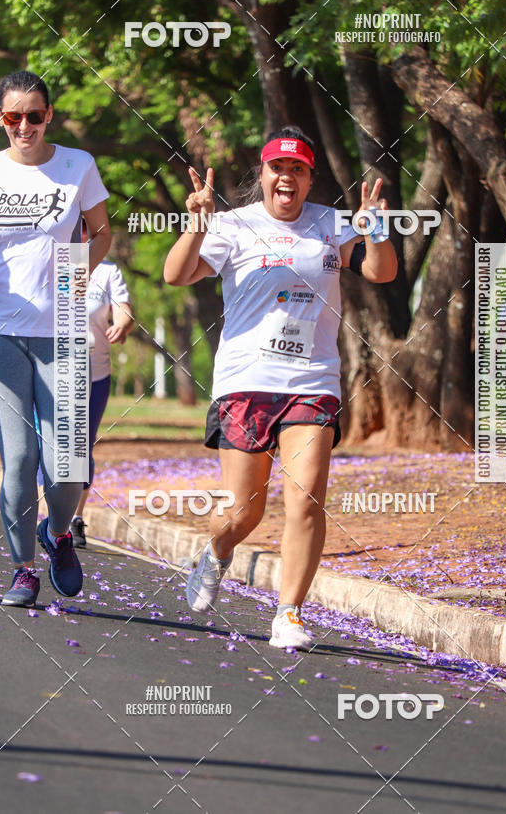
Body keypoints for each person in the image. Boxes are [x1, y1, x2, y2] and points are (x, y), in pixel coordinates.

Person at [164, 126, 397, 649]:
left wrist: (376, 231)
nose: (286, 177)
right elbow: (176, 274)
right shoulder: (232, 225)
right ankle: (218, 551)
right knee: (244, 509)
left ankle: (288, 614)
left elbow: (381, 273)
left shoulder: (332, 226)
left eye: (298, 169)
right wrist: (196, 224)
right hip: (245, 381)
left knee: (306, 498)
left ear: (310, 179)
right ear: (263, 175)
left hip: (312, 381)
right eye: (277, 168)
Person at [0, 70, 111, 607]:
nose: (25, 126)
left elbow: (101, 231)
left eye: (35, 115)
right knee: (19, 459)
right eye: (14, 117)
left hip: (62, 327)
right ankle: (23, 571)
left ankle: (57, 533)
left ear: (49, 115)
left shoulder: (77, 165)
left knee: (67, 459)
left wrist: (78, 271)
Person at [70, 220, 134, 548]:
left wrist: (121, 325)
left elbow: (124, 311)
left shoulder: (108, 273)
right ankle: (52, 511)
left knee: (81, 444)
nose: (74, 234)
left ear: (90, 233)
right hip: (52, 370)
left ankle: (74, 517)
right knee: (50, 444)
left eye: (80, 228)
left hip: (95, 372)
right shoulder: (46, 266)